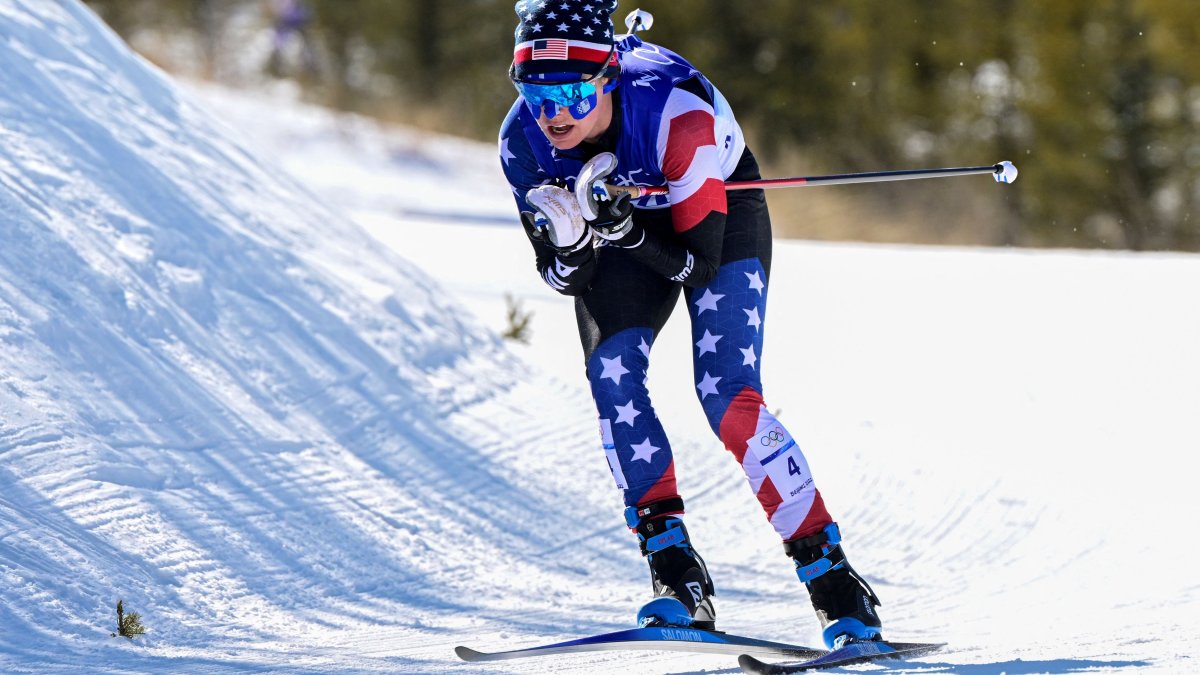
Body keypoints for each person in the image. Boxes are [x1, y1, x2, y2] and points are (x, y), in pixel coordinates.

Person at [498, 2, 882, 649]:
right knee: (612, 377)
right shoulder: (521, 142)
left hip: (716, 213)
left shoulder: (673, 112)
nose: (553, 114)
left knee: (727, 394)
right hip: (625, 227)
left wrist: (619, 227)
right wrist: (571, 247)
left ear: (607, 77)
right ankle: (677, 575)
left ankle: (834, 579)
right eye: (536, 96)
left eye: (568, 93)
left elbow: (699, 266)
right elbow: (560, 279)